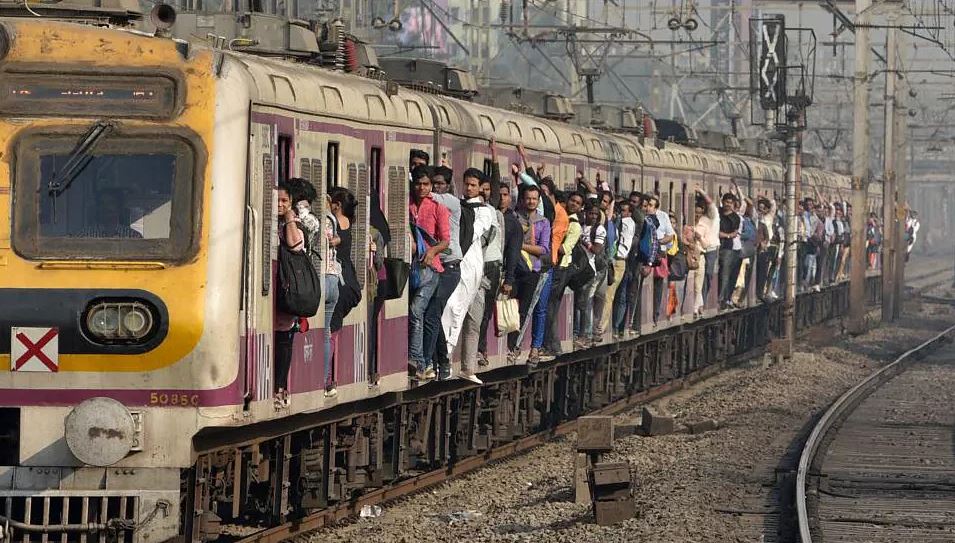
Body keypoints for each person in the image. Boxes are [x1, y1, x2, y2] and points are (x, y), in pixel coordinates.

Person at [446, 168, 497, 384]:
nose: (468, 188)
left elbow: (471, 234)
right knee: (451, 311)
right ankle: (445, 362)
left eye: (473, 185)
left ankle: (466, 367)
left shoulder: (485, 212)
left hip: (473, 269)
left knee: (468, 318)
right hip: (458, 266)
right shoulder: (457, 205)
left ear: (480, 188)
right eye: (466, 184)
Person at [408, 166, 450, 381]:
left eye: (426, 184)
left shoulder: (438, 208)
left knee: (417, 311)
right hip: (410, 267)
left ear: (431, 186)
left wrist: (432, 251)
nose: (421, 188)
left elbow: (445, 240)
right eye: (418, 184)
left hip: (431, 269)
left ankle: (418, 361)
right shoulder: (407, 205)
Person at [426, 166, 463, 380]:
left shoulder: (450, 201)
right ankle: (438, 360)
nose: (436, 187)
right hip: (436, 266)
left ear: (448, 186)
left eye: (440, 183)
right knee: (431, 313)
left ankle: (437, 361)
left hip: (450, 267)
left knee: (433, 312)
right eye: (434, 183)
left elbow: (430, 195)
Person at [508, 184, 551, 364]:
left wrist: (520, 246)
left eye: (534, 199)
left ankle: (516, 345)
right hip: (514, 268)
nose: (531, 202)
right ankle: (509, 344)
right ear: (522, 199)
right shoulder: (514, 218)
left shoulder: (543, 222)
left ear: (538, 201)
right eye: (528, 198)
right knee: (510, 307)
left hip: (533, 270)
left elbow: (543, 249)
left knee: (525, 309)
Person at [273, 179, 307, 408]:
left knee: (284, 338)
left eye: (284, 201)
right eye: (277, 200)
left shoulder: (294, 225)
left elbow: (295, 246)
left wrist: (289, 220)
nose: (280, 204)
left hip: (285, 289)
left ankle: (280, 387)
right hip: (269, 289)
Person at [543, 191, 582, 356]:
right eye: (572, 200)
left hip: (561, 269)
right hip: (558, 268)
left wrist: (551, 238)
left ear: (580, 207)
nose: (574, 204)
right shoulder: (562, 217)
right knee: (551, 307)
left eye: (577, 203)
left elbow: (564, 249)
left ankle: (551, 345)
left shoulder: (575, 225)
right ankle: (553, 345)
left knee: (550, 308)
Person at [575, 203, 605, 347]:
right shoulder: (580, 226)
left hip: (591, 271)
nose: (593, 216)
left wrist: (584, 242)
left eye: (596, 214)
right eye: (590, 213)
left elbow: (596, 250)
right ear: (585, 213)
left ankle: (586, 336)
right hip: (579, 269)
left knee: (586, 302)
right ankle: (579, 333)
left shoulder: (599, 229)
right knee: (580, 302)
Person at [611, 201, 637, 337]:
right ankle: (615, 327)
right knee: (617, 295)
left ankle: (616, 326)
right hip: (621, 261)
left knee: (620, 295)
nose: (621, 213)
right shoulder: (620, 222)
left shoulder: (627, 223)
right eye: (620, 210)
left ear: (630, 213)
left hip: (623, 261)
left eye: (624, 210)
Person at [693, 187, 719, 314]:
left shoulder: (712, 216)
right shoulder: (695, 220)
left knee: (708, 274)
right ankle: (697, 304)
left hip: (710, 249)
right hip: (698, 250)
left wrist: (700, 191)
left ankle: (701, 302)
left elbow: (711, 204)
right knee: (698, 278)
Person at [718, 192, 742, 309]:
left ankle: (721, 299)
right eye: (726, 202)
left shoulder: (735, 218)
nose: (728, 204)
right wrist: (726, 234)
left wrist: (724, 235)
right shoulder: (718, 213)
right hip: (716, 245)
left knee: (725, 274)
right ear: (722, 202)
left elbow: (734, 234)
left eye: (730, 203)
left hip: (727, 248)